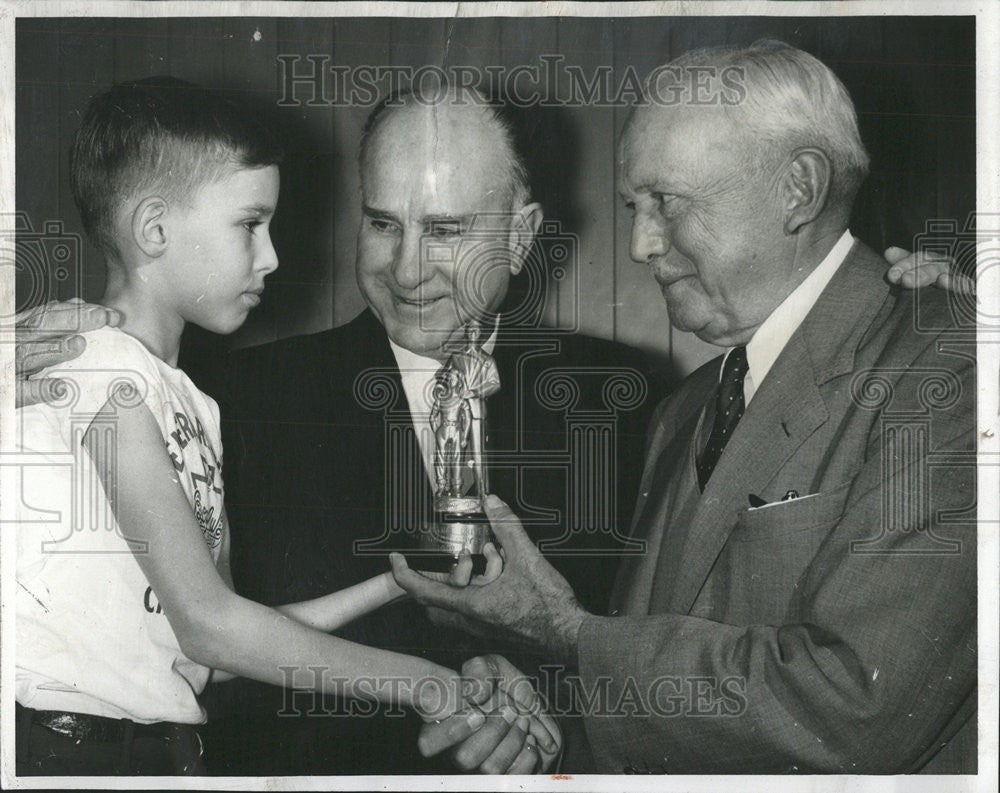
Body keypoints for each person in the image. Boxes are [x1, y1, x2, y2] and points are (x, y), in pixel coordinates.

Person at [11, 77, 961, 775]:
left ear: (522, 231)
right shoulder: (223, 392)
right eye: (385, 225)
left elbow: (657, 629)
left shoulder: (641, 399)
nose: (409, 266)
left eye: (451, 230)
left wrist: (919, 298)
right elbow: (163, 637)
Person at [392, 41, 977, 774]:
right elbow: (676, 690)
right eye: (635, 208)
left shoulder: (953, 365)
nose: (640, 242)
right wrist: (556, 721)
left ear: (798, 187)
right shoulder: (686, 407)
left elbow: (856, 704)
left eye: (666, 202)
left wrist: (570, 635)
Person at [13, 76, 558, 776]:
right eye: (249, 225)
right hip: (69, 749)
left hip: (165, 752)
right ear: (154, 229)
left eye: (444, 228)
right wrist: (430, 683)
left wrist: (397, 582)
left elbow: (232, 638)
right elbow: (213, 627)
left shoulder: (189, 402)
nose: (272, 256)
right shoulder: (98, 369)